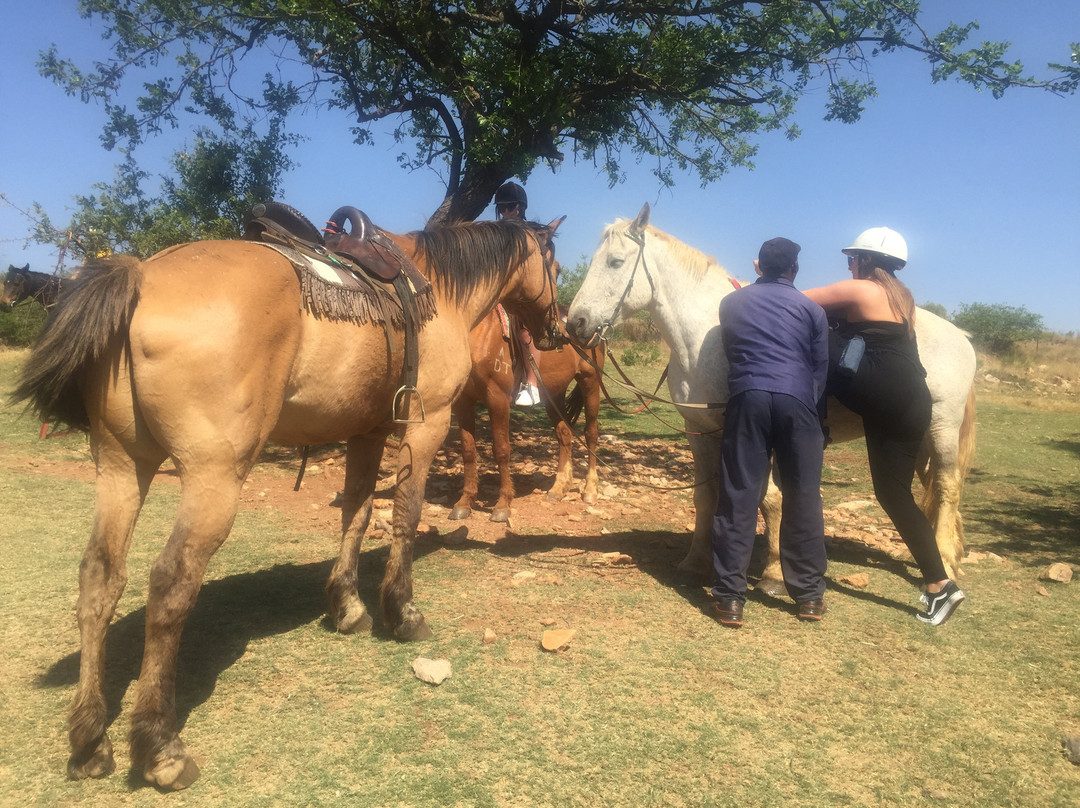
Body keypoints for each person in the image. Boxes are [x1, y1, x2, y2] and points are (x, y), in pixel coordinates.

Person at [803, 227, 964, 626]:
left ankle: (815, 420)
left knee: (813, 330)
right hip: (910, 402)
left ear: (869, 261)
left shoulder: (863, 291)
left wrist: (760, 280)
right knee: (894, 497)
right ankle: (938, 584)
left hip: (888, 402)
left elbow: (796, 301)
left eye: (853, 259)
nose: (850, 265)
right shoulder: (901, 296)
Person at [710, 237, 830, 627]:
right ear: (795, 269)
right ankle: (809, 596)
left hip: (748, 399)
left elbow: (732, 350)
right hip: (798, 402)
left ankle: (729, 598)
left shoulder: (731, 303)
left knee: (739, 495)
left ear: (757, 266)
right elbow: (818, 368)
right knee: (804, 496)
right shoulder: (812, 309)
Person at [494, 181, 542, 406]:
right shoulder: (495, 234)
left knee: (525, 330)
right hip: (497, 293)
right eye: (501, 208)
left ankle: (532, 385)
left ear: (519, 208)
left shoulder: (528, 234)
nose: (505, 212)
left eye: (509, 206)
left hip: (522, 294)